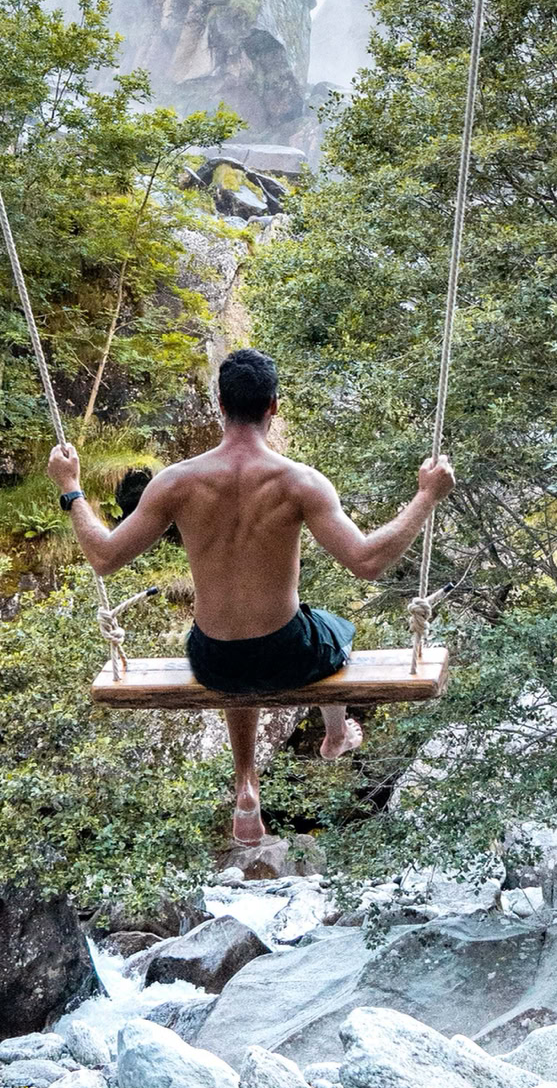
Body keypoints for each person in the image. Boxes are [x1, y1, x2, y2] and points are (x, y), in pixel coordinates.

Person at [48, 346, 454, 848]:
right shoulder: (300, 482)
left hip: (214, 658)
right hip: (287, 653)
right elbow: (367, 561)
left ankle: (246, 783)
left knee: (238, 653)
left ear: (220, 404)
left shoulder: (176, 482)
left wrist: (71, 487)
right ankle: (335, 733)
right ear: (273, 407)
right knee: (334, 631)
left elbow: (104, 556)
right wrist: (425, 497)